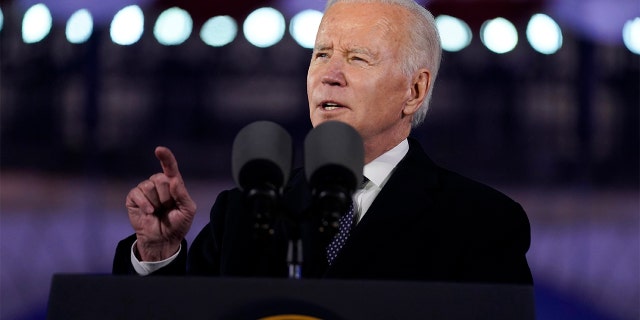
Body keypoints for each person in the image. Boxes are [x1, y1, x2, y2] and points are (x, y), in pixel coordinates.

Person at [113, 0, 533, 285]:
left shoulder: (483, 223)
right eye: (321, 54)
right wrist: (158, 253)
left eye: (357, 58)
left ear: (415, 91)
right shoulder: (241, 213)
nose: (329, 74)